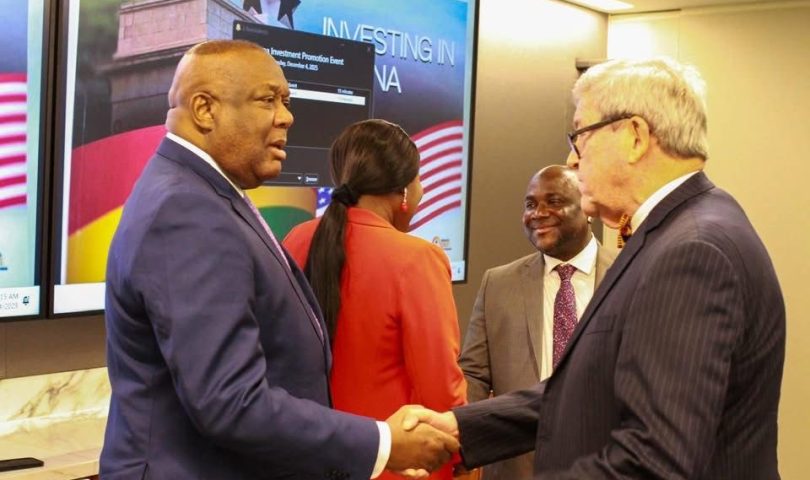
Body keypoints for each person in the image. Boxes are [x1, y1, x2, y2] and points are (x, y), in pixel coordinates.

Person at [407, 57, 786, 479]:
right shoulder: (678, 231)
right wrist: (461, 428)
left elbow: (653, 462)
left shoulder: (692, 251)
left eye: (580, 137)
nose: (572, 160)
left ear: (635, 136)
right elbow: (590, 389)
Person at [101, 40, 457, 480]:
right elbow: (231, 401)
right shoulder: (188, 209)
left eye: (285, 101)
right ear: (205, 110)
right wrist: (382, 442)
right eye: (267, 99)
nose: (286, 116)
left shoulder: (203, 192)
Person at [283, 119, 467, 480]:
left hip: (305, 455)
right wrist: (460, 452)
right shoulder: (417, 258)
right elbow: (440, 388)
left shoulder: (295, 239)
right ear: (404, 191)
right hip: (395, 463)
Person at [458, 164, 615, 479]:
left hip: (607, 462)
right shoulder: (497, 284)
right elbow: (473, 375)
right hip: (518, 467)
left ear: (587, 208)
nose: (538, 213)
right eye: (530, 205)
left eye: (553, 201)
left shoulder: (627, 272)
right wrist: (459, 442)